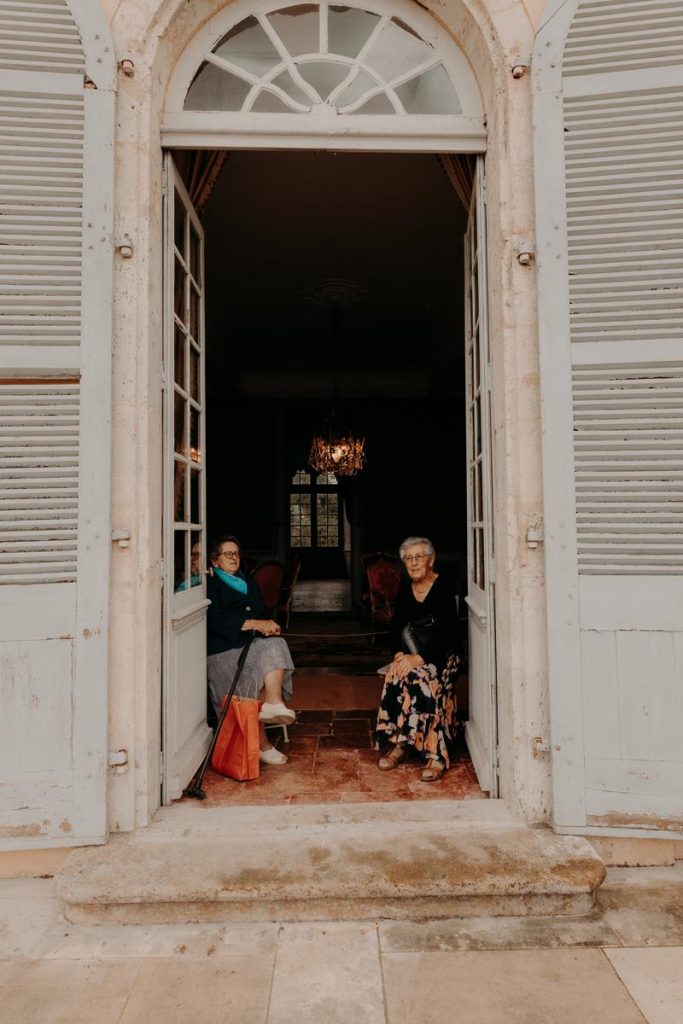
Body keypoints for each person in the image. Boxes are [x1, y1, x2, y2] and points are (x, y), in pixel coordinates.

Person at [375, 536, 459, 782]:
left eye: (418, 557)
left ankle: (436, 754)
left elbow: (450, 632)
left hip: (443, 656)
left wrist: (419, 658)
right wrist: (399, 655)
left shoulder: (443, 586)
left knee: (420, 681)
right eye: (408, 559)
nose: (413, 563)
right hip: (412, 653)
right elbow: (396, 626)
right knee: (396, 673)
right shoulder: (405, 586)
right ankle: (401, 743)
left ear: (430, 560)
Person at [206, 535, 296, 766]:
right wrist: (255, 624)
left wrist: (267, 626)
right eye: (228, 554)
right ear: (215, 561)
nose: (234, 558)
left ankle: (274, 703)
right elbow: (216, 621)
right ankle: (263, 744)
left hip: (248, 644)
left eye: (236, 553)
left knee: (277, 644)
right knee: (252, 682)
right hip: (223, 650)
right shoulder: (210, 584)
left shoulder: (246, 580)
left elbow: (260, 610)